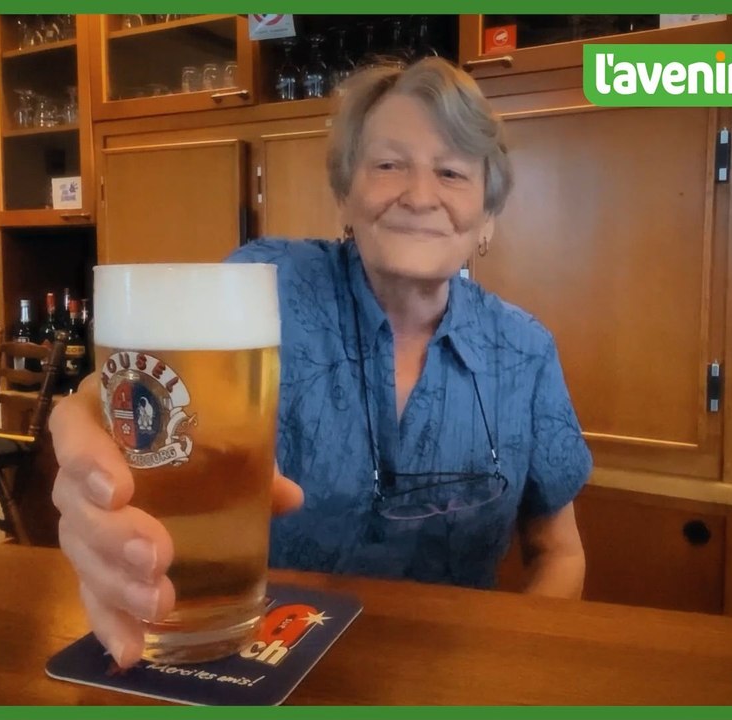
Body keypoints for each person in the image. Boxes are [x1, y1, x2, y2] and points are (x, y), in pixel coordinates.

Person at [49, 56, 593, 668]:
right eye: (389, 165)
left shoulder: (525, 350)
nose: (420, 195)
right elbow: (149, 397)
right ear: (345, 193)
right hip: (256, 660)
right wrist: (96, 434)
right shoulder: (270, 288)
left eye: (452, 172)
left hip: (451, 672)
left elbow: (559, 553)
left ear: (487, 215)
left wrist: (509, 666)